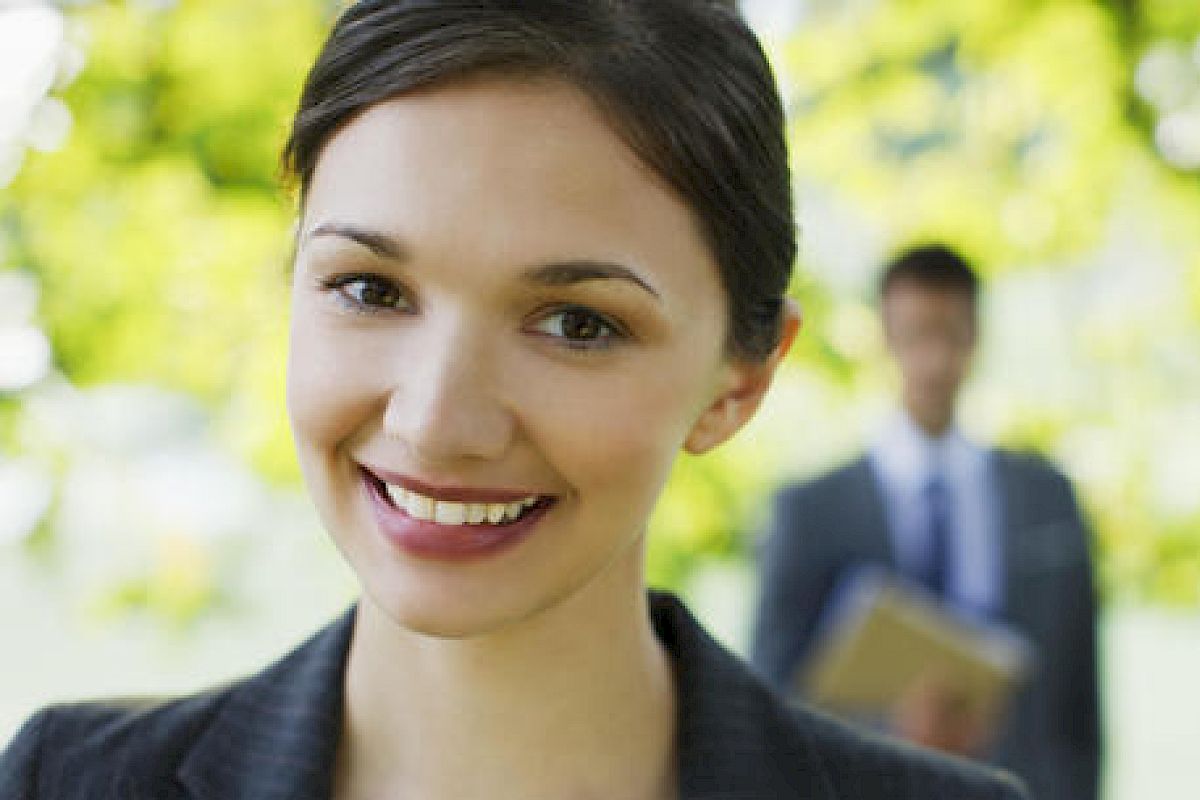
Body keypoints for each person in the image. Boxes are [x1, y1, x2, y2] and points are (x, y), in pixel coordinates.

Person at [1, 4, 1029, 799]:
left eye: (577, 322)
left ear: (740, 379)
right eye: (371, 289)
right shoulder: (65, 780)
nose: (436, 421)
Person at [751, 243, 1102, 800]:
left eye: (952, 333)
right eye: (916, 334)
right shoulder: (810, 509)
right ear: (887, 338)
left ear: (977, 337)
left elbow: (1080, 702)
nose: (935, 361)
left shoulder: (1046, 497)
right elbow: (772, 698)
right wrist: (891, 729)